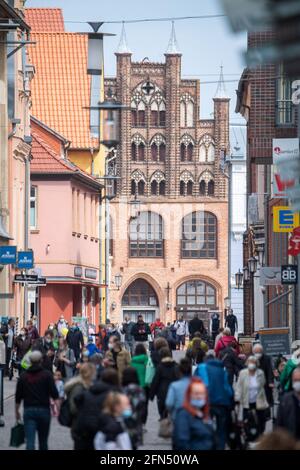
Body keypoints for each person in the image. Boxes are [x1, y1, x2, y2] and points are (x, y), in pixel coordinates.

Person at [15, 351, 59, 450]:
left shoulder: (23, 376)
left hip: (29, 411)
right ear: (41, 361)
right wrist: (58, 409)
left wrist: (16, 411)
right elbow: (55, 394)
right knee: (43, 442)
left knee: (30, 442)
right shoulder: (47, 375)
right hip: (44, 411)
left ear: (30, 361)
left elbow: (18, 397)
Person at [72, 368, 120, 450]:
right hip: (102, 428)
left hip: (84, 428)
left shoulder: (90, 389)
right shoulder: (114, 394)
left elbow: (76, 399)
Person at [194, 354, 233, 449]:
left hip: (206, 403)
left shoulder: (201, 367)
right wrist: (231, 399)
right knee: (222, 429)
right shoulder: (222, 370)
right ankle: (220, 447)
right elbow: (227, 387)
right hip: (222, 403)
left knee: (205, 427)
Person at [173, 377, 216, 450]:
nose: (199, 397)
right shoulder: (183, 415)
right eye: (196, 394)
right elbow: (182, 442)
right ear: (190, 395)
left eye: (202, 394)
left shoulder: (204, 414)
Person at [64, 362, 97, 450]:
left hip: (85, 424)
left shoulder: (88, 385)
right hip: (80, 424)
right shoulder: (78, 387)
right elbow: (74, 408)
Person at [235, 355, 268, 438]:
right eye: (250, 362)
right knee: (246, 420)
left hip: (258, 400)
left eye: (253, 362)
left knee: (260, 419)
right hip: (247, 400)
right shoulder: (243, 373)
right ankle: (248, 435)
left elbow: (263, 383)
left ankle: (260, 435)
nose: (251, 364)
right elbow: (239, 386)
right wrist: (237, 397)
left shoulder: (260, 373)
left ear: (256, 364)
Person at [149, 347, 180, 419]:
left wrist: (152, 395)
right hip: (173, 391)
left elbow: (155, 381)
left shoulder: (160, 367)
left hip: (162, 391)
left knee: (162, 408)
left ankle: (163, 417)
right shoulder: (176, 366)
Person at [122, 367, 147, 449]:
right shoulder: (139, 390)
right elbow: (143, 406)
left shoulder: (122, 390)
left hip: (123, 425)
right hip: (136, 423)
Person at [276, 367, 300, 440]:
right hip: (291, 442)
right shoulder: (285, 400)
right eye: (295, 380)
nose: (298, 383)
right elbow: (279, 425)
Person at [166, 357, 192, 422]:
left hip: (177, 417)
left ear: (179, 371)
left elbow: (169, 403)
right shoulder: (197, 385)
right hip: (193, 417)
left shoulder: (174, 386)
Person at [252, 342, 274, 407]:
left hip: (265, 381)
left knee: (267, 397)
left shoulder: (267, 358)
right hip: (254, 382)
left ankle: (267, 412)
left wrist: (271, 382)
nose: (258, 354)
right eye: (256, 352)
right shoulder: (251, 358)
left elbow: (270, 370)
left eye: (259, 352)